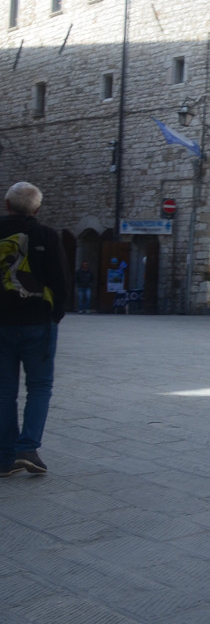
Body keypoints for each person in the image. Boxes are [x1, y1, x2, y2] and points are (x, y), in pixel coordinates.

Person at [0, 182, 69, 477]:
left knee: (4, 391)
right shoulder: (47, 235)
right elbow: (61, 280)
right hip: (38, 321)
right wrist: (55, 315)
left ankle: (5, 456)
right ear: (37, 209)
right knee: (39, 387)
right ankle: (27, 448)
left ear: (7, 205)